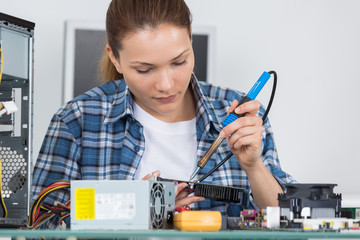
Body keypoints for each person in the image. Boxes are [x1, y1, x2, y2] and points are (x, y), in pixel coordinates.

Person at [32, 0, 295, 229]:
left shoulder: (239, 115)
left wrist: (253, 166)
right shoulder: (76, 121)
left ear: (190, 39)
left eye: (178, 62)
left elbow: (289, 220)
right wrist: (131, 208)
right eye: (145, 70)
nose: (166, 85)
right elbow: (39, 225)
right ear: (115, 58)